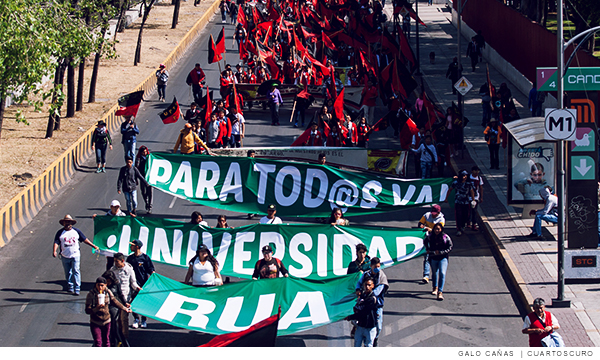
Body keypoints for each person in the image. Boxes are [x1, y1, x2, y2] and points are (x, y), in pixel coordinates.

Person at [52, 215, 99, 295]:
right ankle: (70, 286)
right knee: (68, 272)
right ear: (63, 223)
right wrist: (54, 251)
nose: (67, 224)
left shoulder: (76, 231)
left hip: (75, 255)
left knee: (76, 270)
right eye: (66, 222)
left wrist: (93, 246)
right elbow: (56, 242)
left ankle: (77, 288)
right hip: (65, 256)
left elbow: (84, 239)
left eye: (69, 222)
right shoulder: (60, 233)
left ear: (72, 223)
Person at [85, 277, 131, 347]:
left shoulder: (108, 292)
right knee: (98, 341)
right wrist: (96, 308)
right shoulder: (91, 294)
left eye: (102, 285)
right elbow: (87, 310)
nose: (100, 287)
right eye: (98, 285)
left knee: (106, 340)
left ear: (105, 285)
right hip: (95, 321)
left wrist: (124, 308)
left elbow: (115, 301)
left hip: (106, 321)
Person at [355, 257, 388, 347]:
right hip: (365, 303)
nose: (377, 268)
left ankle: (375, 338)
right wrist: (358, 289)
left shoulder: (382, 277)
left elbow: (377, 292)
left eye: (378, 266)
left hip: (377, 305)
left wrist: (367, 296)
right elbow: (359, 283)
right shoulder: (366, 274)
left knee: (379, 326)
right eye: (375, 266)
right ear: (371, 266)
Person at [126, 239, 155, 329]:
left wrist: (154, 279)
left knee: (143, 303)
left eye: (132, 245)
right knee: (133, 302)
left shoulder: (145, 258)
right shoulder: (130, 258)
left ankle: (143, 319)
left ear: (137, 247)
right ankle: (136, 319)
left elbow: (151, 270)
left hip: (143, 285)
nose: (130, 247)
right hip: (132, 285)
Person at [110, 253, 142, 329]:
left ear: (122, 261)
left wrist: (137, 288)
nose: (115, 263)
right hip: (115, 297)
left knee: (123, 318)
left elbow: (133, 282)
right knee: (113, 317)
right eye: (114, 261)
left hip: (125, 297)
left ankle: (123, 335)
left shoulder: (129, 269)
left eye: (117, 261)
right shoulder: (112, 270)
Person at [424, 223, 453, 301]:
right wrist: (428, 249)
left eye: (438, 229)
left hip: (443, 258)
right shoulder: (430, 237)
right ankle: (435, 287)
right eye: (436, 229)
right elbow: (425, 242)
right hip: (433, 258)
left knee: (442, 273)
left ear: (441, 229)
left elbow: (450, 247)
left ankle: (440, 292)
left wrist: (441, 252)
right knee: (434, 273)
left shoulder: (445, 237)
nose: (437, 230)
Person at [347, 277, 378, 347]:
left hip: (370, 328)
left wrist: (350, 317)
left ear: (373, 286)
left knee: (368, 346)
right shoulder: (362, 296)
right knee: (356, 345)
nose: (367, 287)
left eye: (369, 285)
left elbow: (363, 313)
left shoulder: (372, 299)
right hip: (360, 326)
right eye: (366, 285)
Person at [418, 204, 445, 284]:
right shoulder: (426, 215)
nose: (433, 215)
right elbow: (420, 223)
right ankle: (426, 275)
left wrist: (431, 229)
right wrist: (422, 226)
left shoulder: (441, 220)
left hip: (437, 241)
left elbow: (439, 230)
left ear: (438, 213)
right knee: (426, 257)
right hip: (428, 239)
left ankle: (435, 275)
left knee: (435, 259)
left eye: (435, 214)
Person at [102, 270, 129, 347]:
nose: (107, 282)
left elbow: (120, 294)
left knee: (114, 325)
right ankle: (114, 341)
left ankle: (119, 342)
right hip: (105, 306)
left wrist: (125, 303)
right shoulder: (102, 285)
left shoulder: (116, 284)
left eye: (108, 281)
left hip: (114, 306)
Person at [450, 170, 475, 236]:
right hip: (458, 202)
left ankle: (463, 226)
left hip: (466, 202)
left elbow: (472, 191)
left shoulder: (468, 184)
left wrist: (473, 200)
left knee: (466, 215)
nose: (465, 177)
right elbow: (450, 189)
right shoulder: (455, 183)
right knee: (458, 216)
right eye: (463, 175)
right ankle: (458, 229)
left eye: (466, 175)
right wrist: (446, 198)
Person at [135, 146, 153, 213]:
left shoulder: (150, 158)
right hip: (142, 177)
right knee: (143, 192)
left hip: (149, 178)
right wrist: (136, 178)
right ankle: (146, 202)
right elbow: (136, 169)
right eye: (143, 152)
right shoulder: (138, 159)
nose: (145, 153)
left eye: (145, 151)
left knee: (150, 192)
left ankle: (149, 206)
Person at [468, 166, 484, 231]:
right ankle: (468, 221)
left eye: (478, 171)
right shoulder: (468, 177)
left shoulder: (479, 178)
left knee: (474, 211)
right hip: (468, 197)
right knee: (468, 210)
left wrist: (481, 197)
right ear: (472, 171)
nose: (476, 172)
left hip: (476, 197)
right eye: (475, 171)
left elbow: (481, 188)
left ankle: (474, 224)